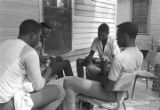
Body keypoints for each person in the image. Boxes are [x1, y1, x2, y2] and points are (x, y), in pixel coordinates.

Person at [63, 22, 143, 110]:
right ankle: (84, 96)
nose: (117, 39)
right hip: (121, 92)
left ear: (125, 36)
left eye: (118, 36)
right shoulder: (139, 55)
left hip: (110, 94)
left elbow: (107, 88)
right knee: (90, 70)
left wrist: (104, 71)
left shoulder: (119, 58)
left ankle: (81, 93)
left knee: (69, 81)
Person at [0, 19, 65, 110]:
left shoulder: (4, 43)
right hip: (4, 104)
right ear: (32, 36)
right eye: (39, 36)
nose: (39, 40)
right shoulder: (29, 51)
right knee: (60, 91)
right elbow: (38, 86)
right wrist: (48, 72)